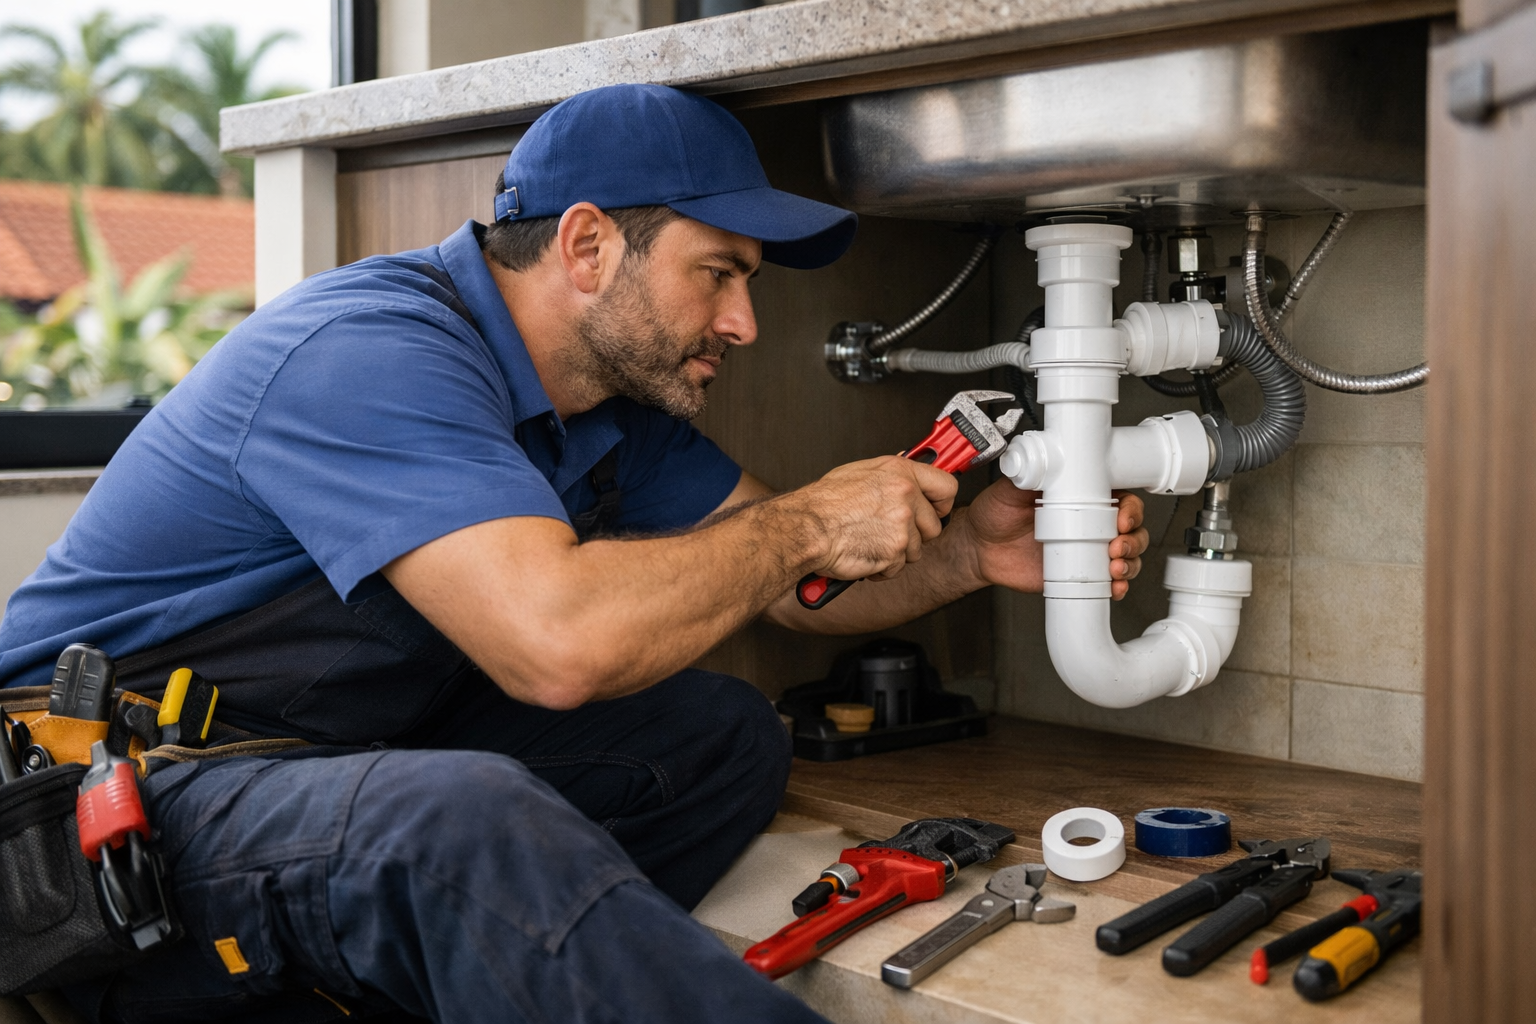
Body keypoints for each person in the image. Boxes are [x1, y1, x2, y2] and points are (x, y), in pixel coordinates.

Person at [0, 85, 1147, 1023]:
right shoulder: (369, 350)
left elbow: (792, 592)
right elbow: (557, 645)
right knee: (460, 821)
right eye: (719, 272)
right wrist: (807, 518)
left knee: (720, 735)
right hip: (91, 815)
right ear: (589, 244)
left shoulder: (607, 407)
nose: (745, 323)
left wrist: (966, 558)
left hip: (310, 759)